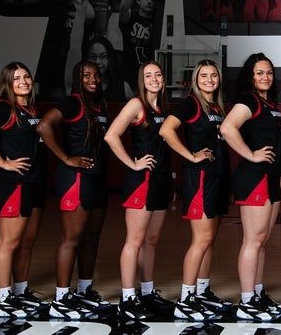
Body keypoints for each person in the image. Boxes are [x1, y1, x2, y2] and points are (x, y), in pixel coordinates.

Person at [37, 61, 113, 320]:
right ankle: (61, 298)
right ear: (77, 78)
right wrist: (65, 158)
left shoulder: (100, 104)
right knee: (73, 238)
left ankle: (83, 291)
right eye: (86, 75)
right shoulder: (72, 102)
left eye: (96, 75)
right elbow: (44, 126)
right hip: (76, 177)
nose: (92, 79)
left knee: (92, 238)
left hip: (97, 177)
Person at [0, 62, 47, 318]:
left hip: (34, 182)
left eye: (26, 76)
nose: (24, 81)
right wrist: (3, 162)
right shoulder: (4, 108)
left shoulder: (31, 108)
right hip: (14, 184)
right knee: (9, 242)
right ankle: (4, 299)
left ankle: (20, 291)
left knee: (27, 241)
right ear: (8, 83)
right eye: (17, 79)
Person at [159, 60, 233, 321]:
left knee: (209, 240)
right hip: (200, 177)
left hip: (218, 177)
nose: (210, 79)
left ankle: (201, 292)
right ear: (195, 79)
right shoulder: (191, 102)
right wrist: (190, 156)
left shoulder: (216, 107)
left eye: (214, 75)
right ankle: (186, 298)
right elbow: (166, 130)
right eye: (204, 75)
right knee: (200, 239)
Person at [220, 53, 281, 321]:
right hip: (254, 177)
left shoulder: (269, 103)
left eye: (269, 72)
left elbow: (276, 143)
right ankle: (247, 301)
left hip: (271, 178)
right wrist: (250, 155)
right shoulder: (249, 100)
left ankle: (257, 294)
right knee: (253, 240)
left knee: (262, 241)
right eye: (260, 72)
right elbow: (227, 128)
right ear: (251, 76)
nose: (265, 77)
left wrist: (280, 176)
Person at [104, 62, 176, 321]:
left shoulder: (163, 108)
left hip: (160, 180)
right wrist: (133, 163)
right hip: (141, 181)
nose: (154, 78)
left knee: (151, 241)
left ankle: (146, 293)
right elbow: (111, 135)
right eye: (148, 75)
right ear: (141, 80)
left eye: (158, 74)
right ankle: (127, 298)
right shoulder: (136, 105)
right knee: (134, 240)